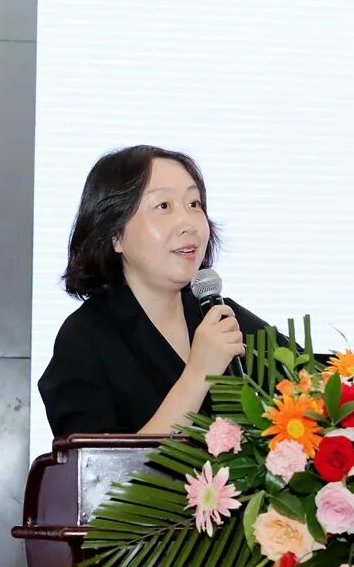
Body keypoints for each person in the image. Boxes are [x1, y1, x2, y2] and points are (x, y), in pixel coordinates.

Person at [39, 144, 272, 436]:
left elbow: (311, 386)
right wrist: (198, 374)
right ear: (115, 235)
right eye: (163, 206)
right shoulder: (85, 338)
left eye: (194, 204)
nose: (188, 224)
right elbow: (96, 462)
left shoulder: (220, 316)